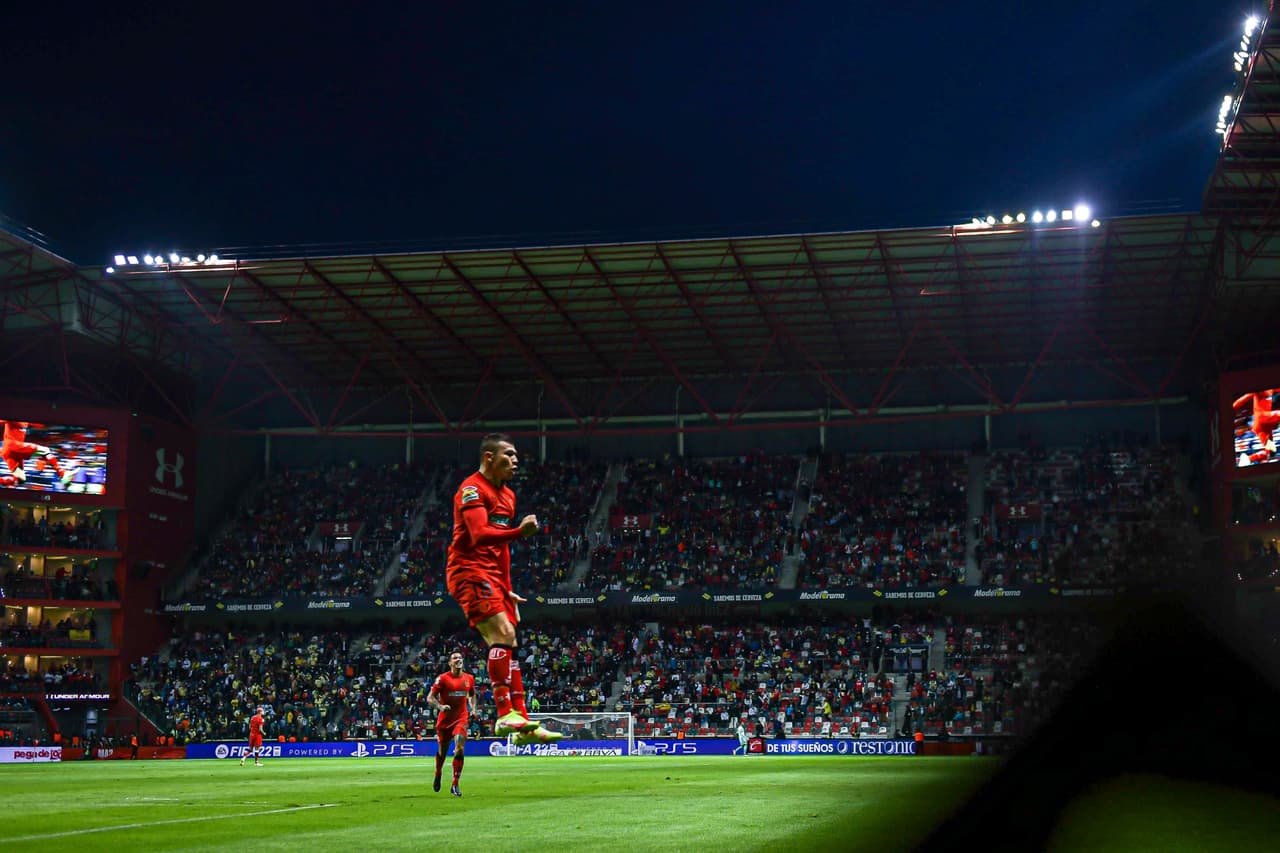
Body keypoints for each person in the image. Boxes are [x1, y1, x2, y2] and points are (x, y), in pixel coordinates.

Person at [446, 433, 562, 745]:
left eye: (516, 457)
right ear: (488, 457)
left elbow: (502, 550)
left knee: (509, 636)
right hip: (468, 570)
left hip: (492, 575)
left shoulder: (508, 496)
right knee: (503, 635)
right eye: (508, 455)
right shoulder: (471, 489)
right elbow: (480, 534)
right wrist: (519, 532)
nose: (514, 461)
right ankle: (503, 714)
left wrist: (507, 587)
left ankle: (522, 723)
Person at [427, 650, 476, 796]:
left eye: (460, 657)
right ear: (450, 663)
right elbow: (430, 698)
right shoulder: (442, 679)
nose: (458, 659)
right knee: (442, 752)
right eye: (455, 658)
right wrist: (440, 707)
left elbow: (472, 695)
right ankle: (438, 772)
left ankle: (455, 784)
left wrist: (473, 708)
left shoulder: (469, 678)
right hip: (445, 720)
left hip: (461, 718)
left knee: (459, 748)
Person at [0, 421, 76, 487]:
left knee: (20, 480)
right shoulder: (13, 416)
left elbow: (40, 425)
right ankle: (63, 474)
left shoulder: (26, 421)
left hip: (10, 452)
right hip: (13, 446)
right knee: (45, 450)